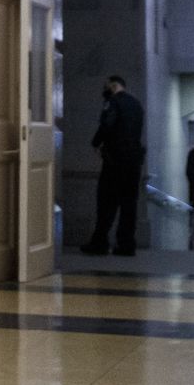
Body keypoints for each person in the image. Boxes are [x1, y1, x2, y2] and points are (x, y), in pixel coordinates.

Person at [82, 74, 146, 256]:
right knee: (129, 204)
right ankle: (126, 245)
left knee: (106, 202)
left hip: (115, 160)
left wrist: (96, 142)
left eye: (106, 86)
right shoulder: (136, 104)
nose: (105, 89)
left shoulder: (113, 102)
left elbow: (107, 124)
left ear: (113, 85)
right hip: (134, 161)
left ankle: (100, 242)